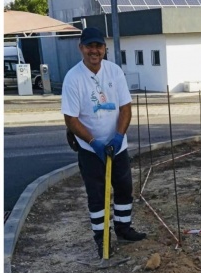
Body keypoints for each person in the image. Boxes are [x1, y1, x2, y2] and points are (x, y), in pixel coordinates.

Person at [61, 27, 146, 259]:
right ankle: (102, 239)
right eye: (89, 46)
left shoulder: (114, 72)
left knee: (124, 190)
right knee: (97, 195)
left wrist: (118, 137)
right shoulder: (73, 78)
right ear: (81, 48)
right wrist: (93, 142)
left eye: (98, 46)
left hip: (117, 146)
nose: (94, 51)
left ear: (104, 48)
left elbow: (126, 108)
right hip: (91, 149)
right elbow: (71, 118)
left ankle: (124, 229)